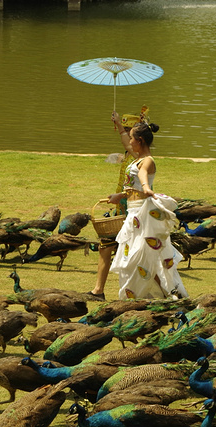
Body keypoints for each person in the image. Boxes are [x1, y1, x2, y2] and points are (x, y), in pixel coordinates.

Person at [108, 120, 188, 300]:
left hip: (144, 213)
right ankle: (139, 296)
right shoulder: (136, 158)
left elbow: (143, 175)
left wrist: (146, 187)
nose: (130, 142)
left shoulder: (147, 161)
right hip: (133, 212)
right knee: (134, 257)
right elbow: (132, 185)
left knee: (149, 256)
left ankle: (170, 294)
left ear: (140, 140)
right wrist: (119, 196)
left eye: (132, 139)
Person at [86, 109, 144, 300]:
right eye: (126, 130)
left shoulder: (139, 157)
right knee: (106, 245)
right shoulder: (131, 155)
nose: (128, 136)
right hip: (123, 207)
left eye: (131, 132)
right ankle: (98, 290)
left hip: (133, 209)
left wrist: (119, 124)